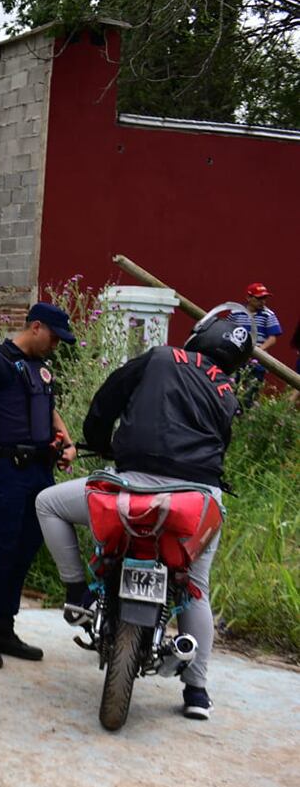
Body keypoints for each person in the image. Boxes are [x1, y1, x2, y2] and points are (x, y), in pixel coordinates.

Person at [34, 304, 251, 720]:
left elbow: (106, 401)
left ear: (201, 331)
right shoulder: (227, 390)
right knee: (196, 585)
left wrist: (99, 441)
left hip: (131, 486)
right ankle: (198, 693)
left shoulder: (160, 357)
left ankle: (77, 591)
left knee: (48, 503)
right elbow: (219, 447)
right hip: (196, 498)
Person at [0, 303, 77, 668]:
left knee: (24, 552)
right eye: (54, 337)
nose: (56, 345)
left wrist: (66, 442)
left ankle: (4, 629)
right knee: (0, 551)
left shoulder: (42, 368)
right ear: (36, 327)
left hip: (39, 473)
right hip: (6, 471)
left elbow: (49, 408)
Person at [230, 283, 282, 408]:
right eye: (259, 298)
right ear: (249, 298)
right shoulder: (236, 312)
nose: (262, 302)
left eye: (264, 298)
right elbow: (229, 329)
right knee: (232, 390)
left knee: (251, 393)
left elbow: (273, 338)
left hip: (257, 360)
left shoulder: (268, 315)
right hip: (237, 357)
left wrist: (259, 350)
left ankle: (246, 415)